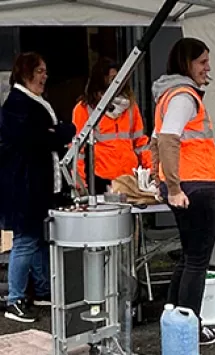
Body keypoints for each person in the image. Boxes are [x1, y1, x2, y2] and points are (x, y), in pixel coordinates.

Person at [151, 38, 215, 345]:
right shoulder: (184, 95)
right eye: (202, 61)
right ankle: (188, 329)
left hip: (185, 186)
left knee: (188, 258)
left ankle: (174, 322)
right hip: (196, 186)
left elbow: (155, 142)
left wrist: (161, 182)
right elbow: (167, 140)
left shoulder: (168, 95)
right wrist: (174, 186)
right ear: (186, 63)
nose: (207, 67)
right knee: (197, 260)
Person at [0, 52, 76, 322]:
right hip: (25, 186)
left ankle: (43, 290)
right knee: (25, 240)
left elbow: (49, 135)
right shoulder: (17, 104)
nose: (45, 76)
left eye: (45, 70)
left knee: (41, 239)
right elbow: (36, 141)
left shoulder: (33, 101)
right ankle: (15, 298)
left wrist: (57, 132)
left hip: (41, 184)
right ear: (25, 72)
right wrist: (60, 133)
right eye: (40, 70)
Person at [72, 57, 151, 193]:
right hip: (99, 180)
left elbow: (141, 144)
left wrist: (151, 171)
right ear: (100, 79)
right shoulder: (84, 109)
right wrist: (80, 184)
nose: (117, 82)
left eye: (118, 77)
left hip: (129, 178)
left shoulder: (131, 107)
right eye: (112, 78)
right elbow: (78, 149)